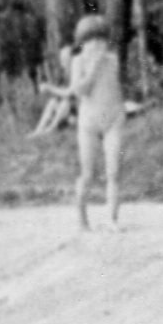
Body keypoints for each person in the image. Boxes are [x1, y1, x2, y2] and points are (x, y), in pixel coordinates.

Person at [67, 15, 125, 231]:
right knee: (88, 173)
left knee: (114, 171)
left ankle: (113, 219)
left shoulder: (112, 59)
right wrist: (92, 68)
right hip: (89, 121)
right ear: (83, 43)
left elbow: (114, 88)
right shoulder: (78, 61)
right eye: (92, 40)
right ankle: (82, 219)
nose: (98, 45)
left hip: (113, 118)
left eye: (102, 40)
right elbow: (79, 90)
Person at [29, 48, 77, 137]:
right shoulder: (63, 74)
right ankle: (38, 130)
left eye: (65, 59)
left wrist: (49, 88)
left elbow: (69, 93)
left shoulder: (76, 72)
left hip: (77, 111)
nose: (62, 62)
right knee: (53, 102)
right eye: (61, 59)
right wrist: (47, 89)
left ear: (71, 58)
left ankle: (51, 129)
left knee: (65, 103)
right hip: (68, 110)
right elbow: (58, 92)